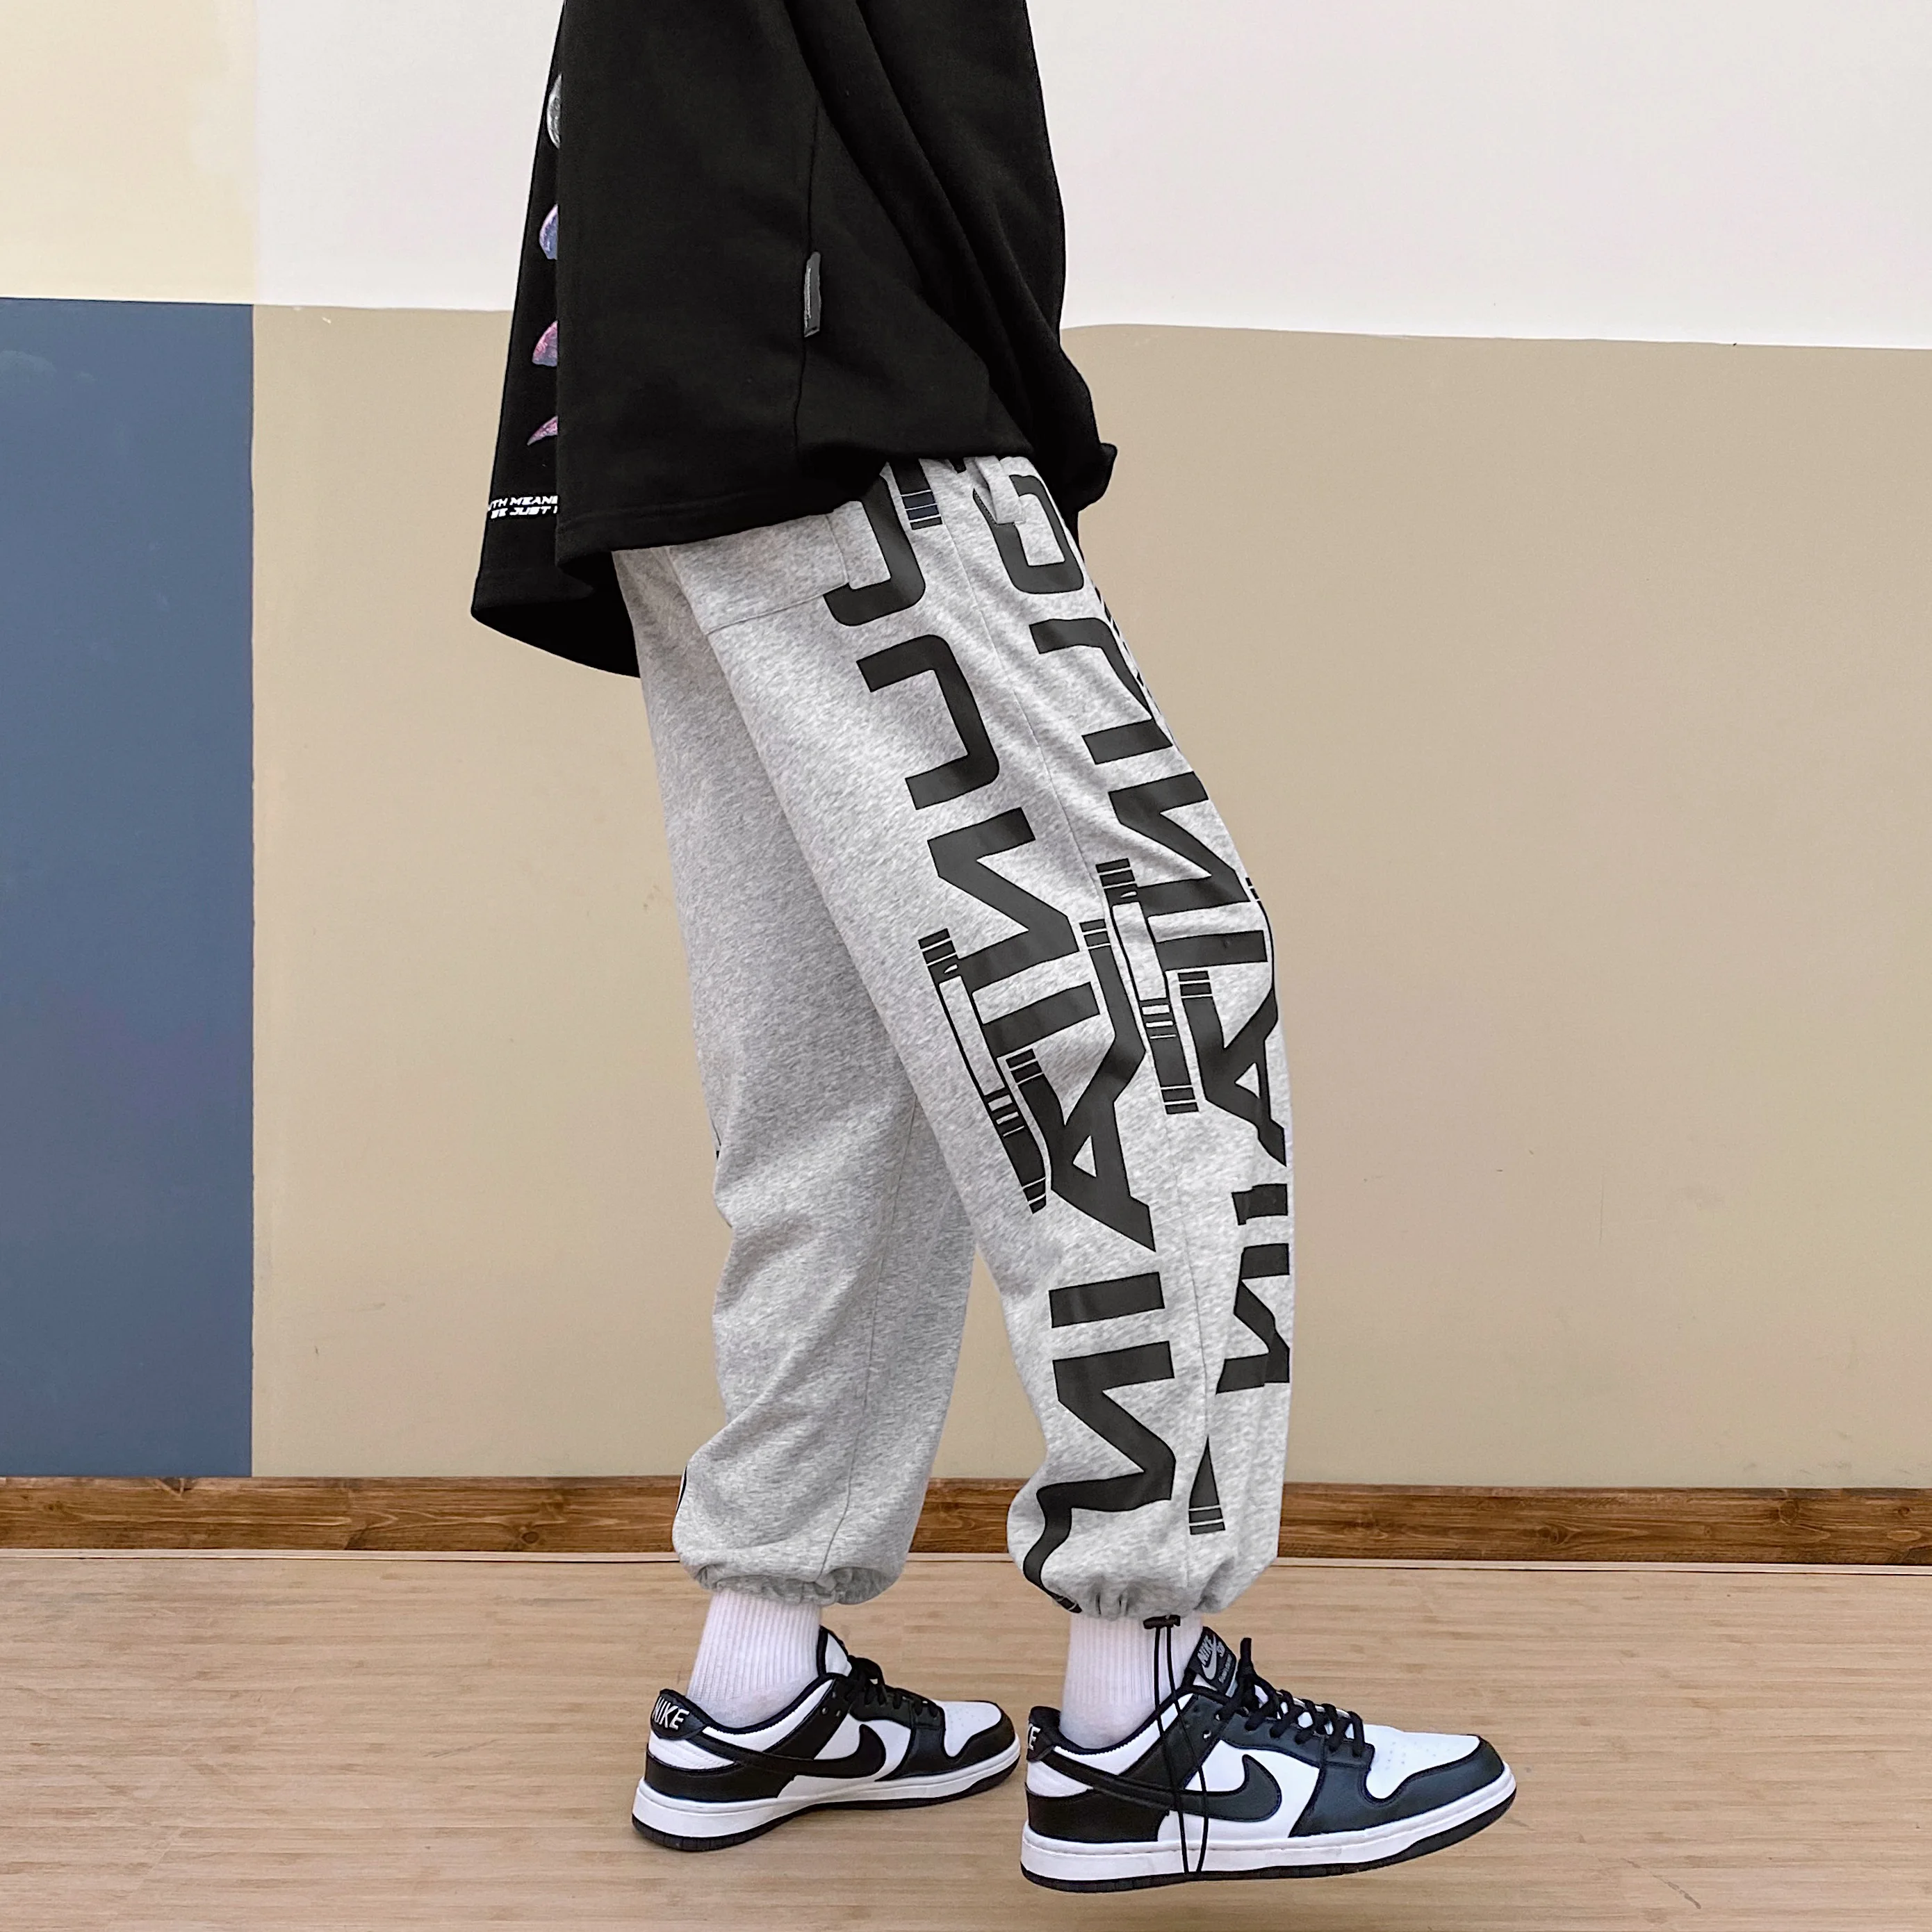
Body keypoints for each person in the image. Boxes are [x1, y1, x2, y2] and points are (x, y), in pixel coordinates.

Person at [473, 3, 1511, 1892]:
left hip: (676, 369)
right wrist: (1005, 385)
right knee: (1148, 973)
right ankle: (1147, 1717)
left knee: (860, 1061)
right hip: (838, 363)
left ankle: (759, 1671)